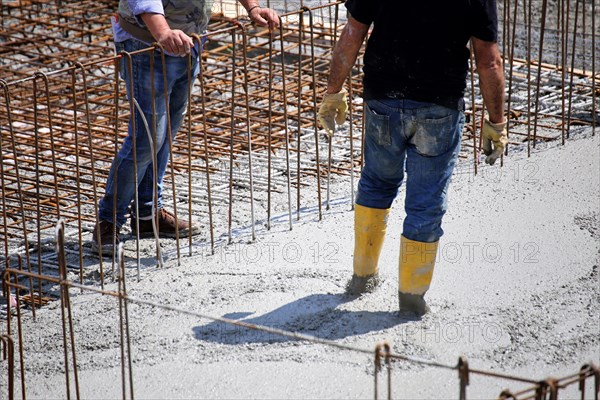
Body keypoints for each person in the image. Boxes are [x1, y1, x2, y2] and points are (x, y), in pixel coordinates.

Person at [318, 0, 507, 315]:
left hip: (384, 102)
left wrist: (333, 90)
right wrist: (496, 122)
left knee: (377, 182)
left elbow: (352, 32)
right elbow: (489, 62)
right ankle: (411, 298)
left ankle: (362, 278)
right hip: (438, 107)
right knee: (426, 201)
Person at [93, 0, 280, 255]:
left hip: (188, 43)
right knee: (146, 139)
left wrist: (253, 8)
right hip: (146, 44)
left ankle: (147, 214)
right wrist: (162, 32)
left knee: (164, 132)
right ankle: (108, 220)